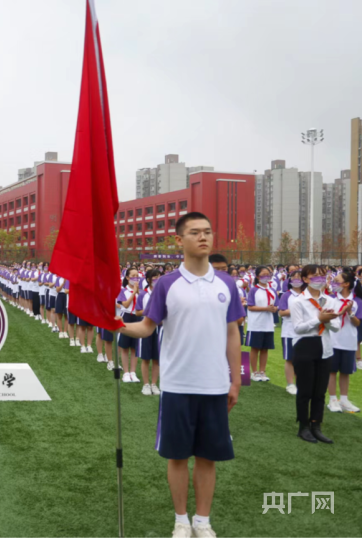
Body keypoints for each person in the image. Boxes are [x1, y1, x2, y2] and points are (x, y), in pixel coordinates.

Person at [117, 212, 242, 538]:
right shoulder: (167, 284)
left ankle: (203, 521)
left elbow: (232, 333)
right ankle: (181, 520)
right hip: (176, 384)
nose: (203, 237)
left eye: (208, 231)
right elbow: (146, 327)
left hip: (214, 384)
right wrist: (115, 323)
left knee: (207, 457)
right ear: (179, 240)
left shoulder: (226, 284)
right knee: (177, 456)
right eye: (195, 232)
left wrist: (236, 378)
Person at [289, 264, 345, 444]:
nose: (319, 279)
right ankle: (303, 426)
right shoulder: (298, 301)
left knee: (320, 391)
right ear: (305, 279)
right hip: (305, 346)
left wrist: (327, 321)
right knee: (305, 390)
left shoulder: (330, 300)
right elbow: (298, 328)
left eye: (322, 276)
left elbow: (336, 327)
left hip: (325, 347)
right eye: (314, 276)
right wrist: (318, 319)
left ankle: (316, 425)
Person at [327, 269, 360, 413]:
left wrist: (350, 312)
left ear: (346, 284)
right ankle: (333, 399)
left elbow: (357, 323)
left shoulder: (357, 301)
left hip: (348, 340)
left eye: (336, 281)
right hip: (333, 340)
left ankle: (344, 400)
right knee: (332, 371)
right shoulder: (330, 299)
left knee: (345, 372)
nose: (333, 284)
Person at [246, 266, 277, 382]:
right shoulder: (254, 290)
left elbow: (276, 305)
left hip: (268, 324)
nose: (266, 277)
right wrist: (265, 308)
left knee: (265, 348)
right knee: (255, 348)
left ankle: (262, 372)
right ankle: (254, 372)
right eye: (263, 275)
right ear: (258, 276)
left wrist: (274, 309)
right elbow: (250, 306)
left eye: (268, 274)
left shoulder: (272, 290)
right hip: (256, 324)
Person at [136, 269, 161, 396]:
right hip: (145, 327)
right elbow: (138, 312)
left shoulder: (163, 294)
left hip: (159, 328)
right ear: (148, 280)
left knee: (156, 358)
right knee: (145, 357)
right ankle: (146, 384)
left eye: (159, 277)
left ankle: (154, 384)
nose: (157, 280)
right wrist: (150, 311)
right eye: (154, 277)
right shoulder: (143, 294)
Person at [278, 271, 301, 395]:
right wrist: (297, 310)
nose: (296, 280)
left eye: (299, 277)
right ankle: (290, 384)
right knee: (290, 358)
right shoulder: (287, 295)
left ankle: (300, 383)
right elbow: (281, 312)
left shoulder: (306, 295)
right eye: (294, 278)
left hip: (303, 332)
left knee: (302, 359)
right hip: (289, 331)